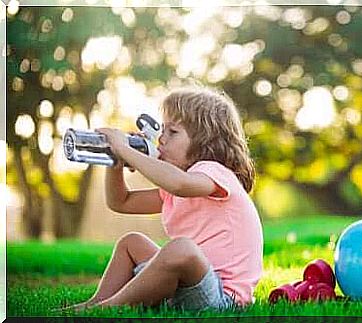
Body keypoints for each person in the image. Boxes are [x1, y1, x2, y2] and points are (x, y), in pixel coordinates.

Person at [64, 86, 263, 312]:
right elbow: (121, 202)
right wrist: (116, 163)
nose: (161, 139)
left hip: (222, 299)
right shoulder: (174, 189)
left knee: (182, 248)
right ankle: (96, 303)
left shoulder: (215, 173)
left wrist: (127, 150)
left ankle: (106, 308)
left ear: (204, 141)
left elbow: (179, 184)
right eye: (163, 130)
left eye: (172, 132)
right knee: (132, 242)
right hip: (189, 285)